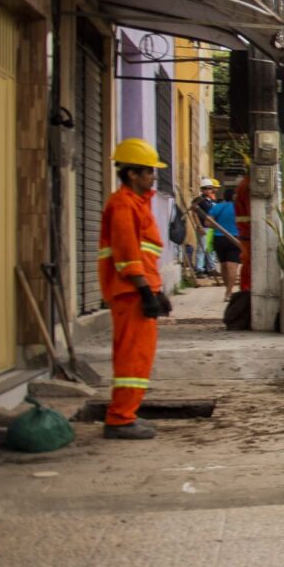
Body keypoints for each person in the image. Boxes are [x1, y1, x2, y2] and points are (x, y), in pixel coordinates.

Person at [101, 139, 173, 440]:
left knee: (139, 356)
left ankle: (126, 413)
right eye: (148, 171)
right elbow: (127, 255)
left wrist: (156, 290)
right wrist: (146, 291)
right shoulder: (123, 204)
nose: (153, 177)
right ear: (132, 174)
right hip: (130, 292)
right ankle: (120, 418)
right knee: (132, 357)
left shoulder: (135, 203)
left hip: (137, 289)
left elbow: (143, 255)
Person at [207, 189, 243, 296]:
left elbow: (208, 223)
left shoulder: (217, 207)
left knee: (223, 266)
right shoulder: (239, 207)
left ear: (224, 196)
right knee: (232, 266)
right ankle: (229, 291)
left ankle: (228, 289)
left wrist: (219, 224)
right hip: (235, 239)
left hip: (219, 239)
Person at [192, 179, 222, 275]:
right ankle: (199, 269)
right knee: (202, 248)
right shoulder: (199, 200)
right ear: (202, 189)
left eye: (210, 188)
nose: (209, 190)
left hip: (211, 228)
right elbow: (194, 214)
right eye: (206, 188)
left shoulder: (211, 201)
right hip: (203, 227)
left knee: (210, 249)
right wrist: (199, 226)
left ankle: (211, 269)